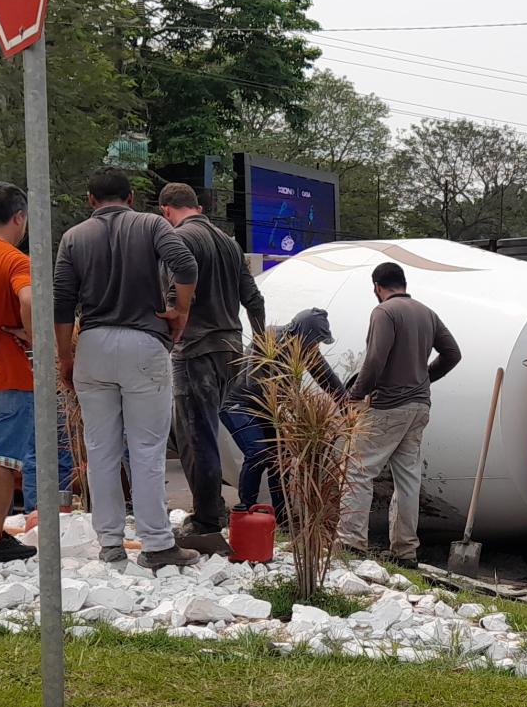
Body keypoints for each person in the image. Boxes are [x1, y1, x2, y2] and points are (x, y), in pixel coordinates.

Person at [54, 168, 200, 568]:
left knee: (101, 449)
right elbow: (185, 266)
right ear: (132, 198)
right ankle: (156, 544)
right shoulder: (152, 225)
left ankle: (111, 543)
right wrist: (179, 312)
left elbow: (63, 302)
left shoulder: (74, 238)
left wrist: (67, 358)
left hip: (93, 346)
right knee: (147, 448)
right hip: (144, 343)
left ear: (89, 199)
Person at [158, 183, 266, 538]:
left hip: (196, 349)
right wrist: (261, 347)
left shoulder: (181, 239)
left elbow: (173, 297)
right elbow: (254, 299)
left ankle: (206, 521)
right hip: (232, 351)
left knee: (195, 436)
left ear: (166, 211)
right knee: (202, 432)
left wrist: (169, 332)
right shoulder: (228, 243)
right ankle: (212, 507)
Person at [337, 262, 460, 568]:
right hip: (419, 408)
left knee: (358, 471)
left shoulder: (384, 312)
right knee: (407, 479)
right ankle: (405, 551)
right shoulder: (426, 312)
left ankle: (351, 542)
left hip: (388, 405)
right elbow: (453, 354)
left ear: (377, 287)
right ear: (403, 283)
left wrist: (355, 395)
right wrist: (424, 379)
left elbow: (375, 358)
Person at [223, 307, 346, 516]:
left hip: (270, 410)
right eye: (314, 340)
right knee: (258, 453)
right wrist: (290, 405)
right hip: (240, 405)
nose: (315, 347)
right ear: (303, 334)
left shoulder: (307, 351)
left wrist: (348, 406)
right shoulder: (269, 337)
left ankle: (282, 515)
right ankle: (245, 510)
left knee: (281, 458)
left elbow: (328, 380)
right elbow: (254, 382)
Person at [0, 182, 38, 564]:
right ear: (18, 217)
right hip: (7, 376)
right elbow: (29, 298)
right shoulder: (14, 260)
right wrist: (33, 337)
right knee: (0, 461)